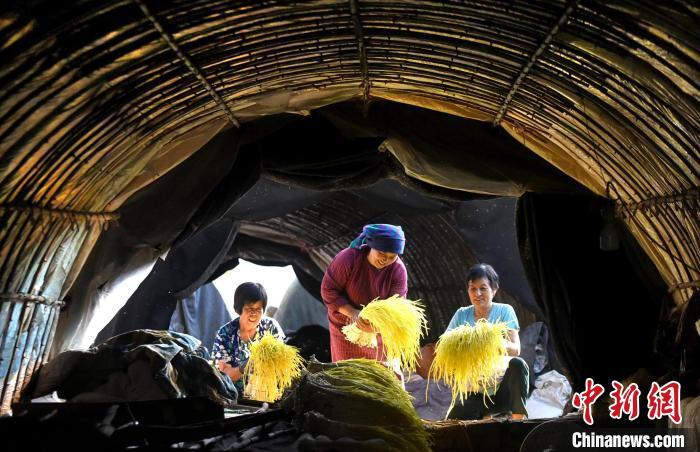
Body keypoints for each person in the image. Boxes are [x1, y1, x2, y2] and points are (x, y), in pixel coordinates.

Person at [445, 263, 529, 420]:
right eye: (472, 288)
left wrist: (488, 342)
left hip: (502, 388)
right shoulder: (461, 315)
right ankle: (485, 416)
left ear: (494, 289)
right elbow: (444, 346)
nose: (477, 293)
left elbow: (515, 349)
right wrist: (467, 342)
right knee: (452, 422)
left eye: (483, 288)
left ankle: (518, 421)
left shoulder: (505, 311)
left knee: (518, 364)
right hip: (474, 390)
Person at [321, 223, 407, 362]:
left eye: (392, 257)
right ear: (370, 246)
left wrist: (378, 327)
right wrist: (353, 313)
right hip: (346, 327)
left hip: (379, 329)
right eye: (381, 253)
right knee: (350, 374)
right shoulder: (348, 259)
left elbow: (398, 306)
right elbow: (329, 290)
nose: (385, 260)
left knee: (384, 374)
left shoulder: (398, 270)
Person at [212, 282, 284, 395]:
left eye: (258, 309)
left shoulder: (271, 327)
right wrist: (246, 366)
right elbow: (224, 375)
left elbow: (282, 362)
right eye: (249, 309)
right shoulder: (225, 334)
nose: (254, 314)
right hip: (235, 397)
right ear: (239, 309)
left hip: (267, 395)